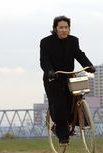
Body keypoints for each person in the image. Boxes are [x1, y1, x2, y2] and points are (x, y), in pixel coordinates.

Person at [40, 15, 96, 144]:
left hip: (69, 76)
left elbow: (79, 54)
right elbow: (44, 60)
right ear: (55, 29)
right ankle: (63, 136)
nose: (64, 30)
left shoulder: (73, 41)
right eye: (61, 27)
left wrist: (88, 66)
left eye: (66, 27)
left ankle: (78, 123)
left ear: (69, 29)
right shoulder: (46, 42)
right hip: (53, 79)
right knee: (59, 105)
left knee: (75, 101)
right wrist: (49, 71)